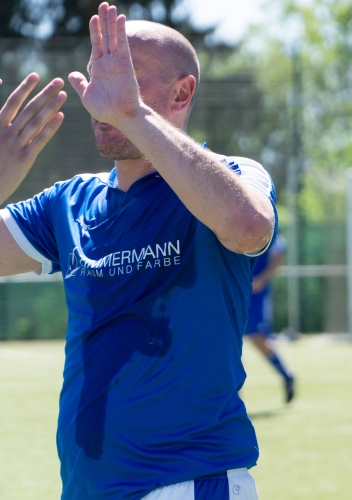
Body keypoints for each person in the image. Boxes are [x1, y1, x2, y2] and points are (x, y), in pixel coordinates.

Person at [0, 4, 276, 499]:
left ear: (181, 93)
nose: (101, 95)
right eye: (96, 76)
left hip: (189, 483)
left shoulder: (233, 174)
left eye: (124, 75)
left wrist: (133, 114)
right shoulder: (69, 202)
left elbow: (249, 228)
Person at [243, 235, 295, 403]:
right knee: (228, 340)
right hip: (234, 289)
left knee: (258, 339)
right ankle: (233, 394)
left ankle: (286, 375)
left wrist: (262, 279)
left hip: (255, 294)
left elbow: (278, 255)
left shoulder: (269, 230)